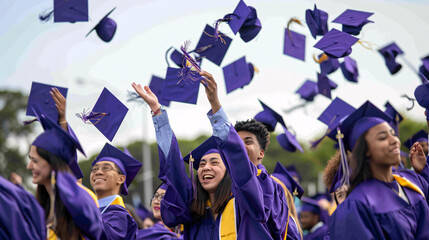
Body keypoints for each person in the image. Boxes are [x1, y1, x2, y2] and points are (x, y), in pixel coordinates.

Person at [131, 71, 272, 239]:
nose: (206, 167)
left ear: (230, 171)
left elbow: (240, 165)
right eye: (202, 164)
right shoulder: (193, 211)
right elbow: (173, 169)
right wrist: (157, 112)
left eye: (214, 162)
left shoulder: (244, 203)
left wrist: (214, 103)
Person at [329, 101, 429, 239]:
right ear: (366, 150)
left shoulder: (411, 183)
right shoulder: (356, 205)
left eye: (393, 134)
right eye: (382, 137)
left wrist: (423, 170)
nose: (394, 140)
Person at [27, 104, 104, 240]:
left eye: (35, 161)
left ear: (52, 163)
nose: (29, 166)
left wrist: (63, 122)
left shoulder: (81, 199)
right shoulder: (40, 204)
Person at [90, 143, 142, 240]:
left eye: (106, 168)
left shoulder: (121, 216)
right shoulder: (92, 208)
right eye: (94, 169)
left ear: (121, 179)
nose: (98, 172)